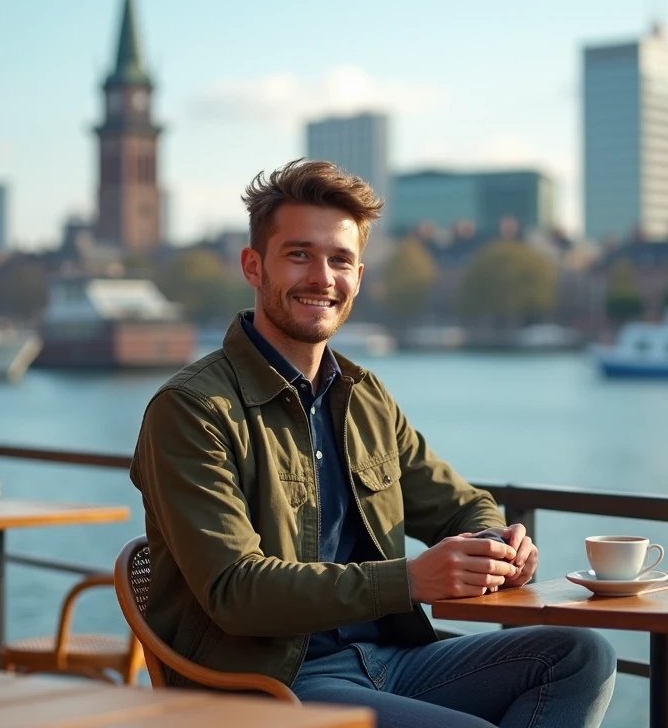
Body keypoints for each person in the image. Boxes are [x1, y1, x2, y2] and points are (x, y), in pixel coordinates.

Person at [130, 160, 616, 727]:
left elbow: (460, 503)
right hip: (264, 683)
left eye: (339, 260)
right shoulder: (191, 409)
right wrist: (410, 580)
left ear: (359, 275)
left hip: (394, 661)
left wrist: (498, 544)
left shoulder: (364, 397)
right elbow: (236, 591)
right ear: (253, 266)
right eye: (298, 255)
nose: (322, 278)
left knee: (582, 655)